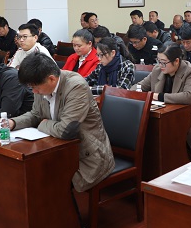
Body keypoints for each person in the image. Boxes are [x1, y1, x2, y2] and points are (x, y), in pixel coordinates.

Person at [9, 53, 114, 192]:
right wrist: (12, 122)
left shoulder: (76, 86)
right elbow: (36, 114)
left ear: (51, 79)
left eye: (35, 87)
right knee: (28, 174)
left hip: (86, 156)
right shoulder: (41, 84)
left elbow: (67, 131)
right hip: (58, 150)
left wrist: (43, 124)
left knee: (48, 181)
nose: (34, 91)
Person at [139, 44, 191, 155]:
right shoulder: (157, 69)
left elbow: (188, 96)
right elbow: (140, 86)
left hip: (188, 120)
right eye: (158, 61)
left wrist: (158, 96)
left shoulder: (190, 72)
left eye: (164, 62)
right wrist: (135, 92)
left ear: (176, 61)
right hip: (163, 116)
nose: (160, 65)